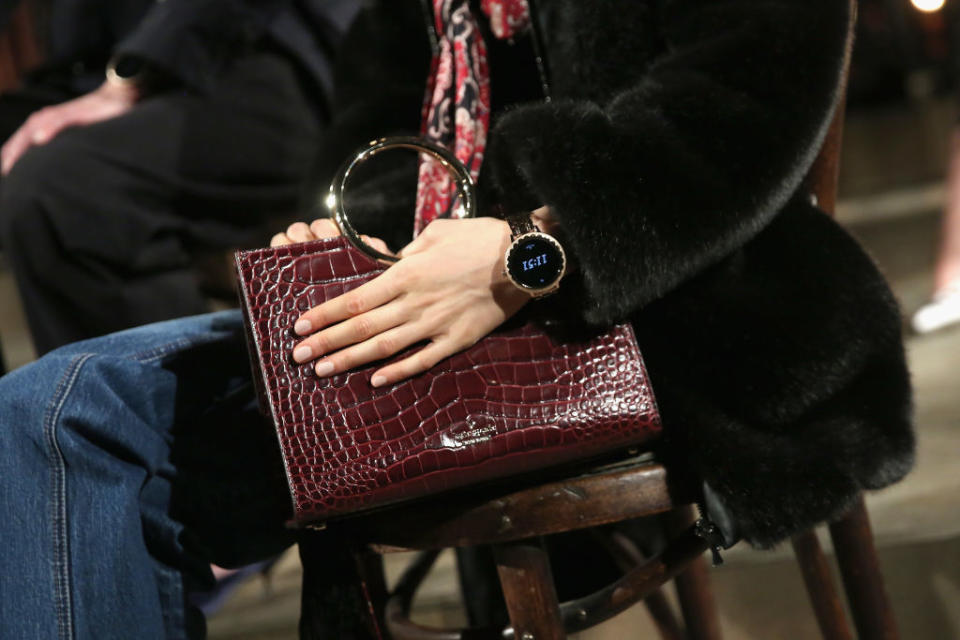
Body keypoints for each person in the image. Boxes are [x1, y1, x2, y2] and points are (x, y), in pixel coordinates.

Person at [0, 0, 915, 637]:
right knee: (57, 416)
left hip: (679, 318)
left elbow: (743, 115)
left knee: (73, 416)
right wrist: (360, 243)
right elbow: (383, 132)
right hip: (451, 317)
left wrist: (530, 254)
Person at [0, 0, 359, 355]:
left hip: (253, 51)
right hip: (92, 67)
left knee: (65, 188)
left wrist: (135, 74)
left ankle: (174, 408)